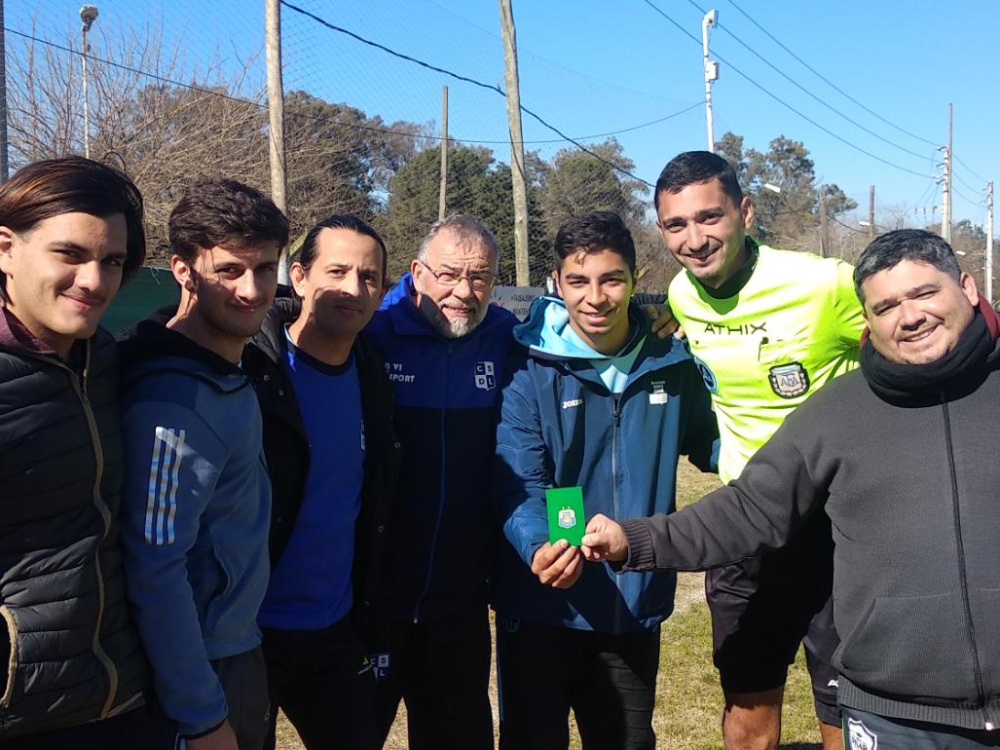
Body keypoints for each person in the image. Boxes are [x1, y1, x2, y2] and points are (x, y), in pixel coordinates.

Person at [583, 228, 1000, 750]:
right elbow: (749, 510)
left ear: (967, 287)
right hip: (895, 714)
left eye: (924, 293)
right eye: (886, 306)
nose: (909, 316)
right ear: (867, 320)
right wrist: (634, 540)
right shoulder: (837, 412)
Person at [649, 151, 864, 750]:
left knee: (846, 711)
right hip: (744, 524)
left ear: (745, 212)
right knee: (747, 706)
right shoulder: (682, 296)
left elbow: (908, 334)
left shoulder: (823, 284)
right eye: (676, 225)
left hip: (837, 528)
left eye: (709, 217)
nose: (695, 239)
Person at [491, 211, 719, 750]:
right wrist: (541, 544)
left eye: (612, 279)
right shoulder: (527, 364)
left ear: (636, 279)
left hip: (631, 603)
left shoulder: (673, 359)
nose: (595, 297)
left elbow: (717, 446)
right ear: (556, 282)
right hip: (542, 604)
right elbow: (521, 479)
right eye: (578, 281)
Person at [119, 179, 288, 750]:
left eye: (265, 269)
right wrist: (201, 716)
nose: (252, 289)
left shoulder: (227, 370)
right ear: (183, 269)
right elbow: (154, 565)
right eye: (230, 270)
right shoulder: (172, 400)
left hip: (238, 645)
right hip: (203, 668)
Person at [0, 157, 153, 748]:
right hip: (23, 718)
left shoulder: (105, 360)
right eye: (70, 254)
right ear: (6, 249)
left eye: (111, 261)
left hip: (120, 699)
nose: (94, 280)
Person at [242, 215, 401, 750]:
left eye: (369, 277)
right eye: (337, 271)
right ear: (299, 276)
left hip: (335, 631)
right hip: (247, 633)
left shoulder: (374, 375)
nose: (354, 288)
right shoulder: (251, 366)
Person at [364, 214, 517, 750]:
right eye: (449, 274)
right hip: (373, 601)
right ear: (417, 272)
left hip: (460, 603)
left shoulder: (507, 337)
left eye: (479, 278)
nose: (463, 292)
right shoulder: (371, 333)